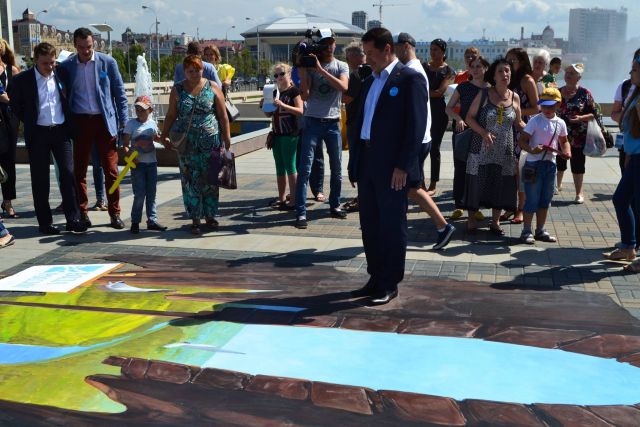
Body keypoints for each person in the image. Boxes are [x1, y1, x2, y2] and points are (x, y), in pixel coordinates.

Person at [347, 27, 428, 305]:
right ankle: (375, 276)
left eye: (370, 53)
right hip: (368, 162)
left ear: (387, 50)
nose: (366, 59)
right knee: (369, 223)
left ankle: (389, 282)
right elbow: (360, 124)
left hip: (393, 167)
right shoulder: (370, 81)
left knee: (392, 224)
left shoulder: (410, 79)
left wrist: (404, 166)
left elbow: (415, 128)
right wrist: (355, 161)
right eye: (364, 53)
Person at [8, 42, 86, 234]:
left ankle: (73, 219)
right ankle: (45, 222)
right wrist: (29, 118)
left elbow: (68, 99)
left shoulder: (61, 74)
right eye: (45, 64)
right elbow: (15, 105)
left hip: (60, 132)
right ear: (36, 61)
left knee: (68, 174)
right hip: (38, 133)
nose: (50, 67)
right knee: (40, 180)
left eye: (52, 63)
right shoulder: (23, 80)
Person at [57, 27, 128, 229]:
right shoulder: (68, 66)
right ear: (75, 46)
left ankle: (115, 213)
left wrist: (123, 122)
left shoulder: (108, 62)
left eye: (88, 46)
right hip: (80, 122)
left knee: (111, 170)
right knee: (78, 171)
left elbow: (120, 94)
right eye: (81, 48)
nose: (86, 51)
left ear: (93, 43)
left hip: (104, 122)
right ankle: (83, 213)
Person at [393, 32, 454, 249]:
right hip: (419, 138)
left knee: (412, 188)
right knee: (406, 187)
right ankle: (397, 228)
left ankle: (442, 226)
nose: (393, 51)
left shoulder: (413, 71)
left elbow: (418, 111)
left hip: (417, 140)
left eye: (396, 47)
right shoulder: (416, 68)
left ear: (406, 46)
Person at [161, 55, 231, 235]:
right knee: (190, 180)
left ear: (203, 69)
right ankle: (195, 219)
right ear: (184, 72)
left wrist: (227, 137)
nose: (194, 74)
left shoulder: (213, 87)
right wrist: (164, 134)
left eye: (197, 70)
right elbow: (171, 115)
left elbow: (223, 115)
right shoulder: (177, 90)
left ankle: (210, 215)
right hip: (187, 144)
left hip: (211, 141)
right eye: (190, 71)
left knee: (211, 180)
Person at [462, 58, 524, 234]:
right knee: (477, 181)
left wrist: (541, 128)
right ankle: (471, 218)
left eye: (507, 71)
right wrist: (483, 132)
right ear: (494, 76)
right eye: (500, 71)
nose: (505, 74)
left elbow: (519, 123)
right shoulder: (484, 94)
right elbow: (469, 118)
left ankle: (495, 222)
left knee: (501, 183)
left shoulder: (515, 97)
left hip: (505, 150)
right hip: (481, 147)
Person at [294, 28, 349, 229]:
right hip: (312, 121)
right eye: (324, 43)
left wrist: (320, 69)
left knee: (336, 169)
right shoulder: (309, 66)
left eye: (330, 42)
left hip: (333, 122)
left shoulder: (341, 66)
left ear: (335, 43)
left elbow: (343, 88)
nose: (328, 47)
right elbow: (306, 96)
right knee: (305, 168)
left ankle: (335, 205)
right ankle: (301, 212)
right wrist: (302, 71)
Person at [517, 87, 571, 244]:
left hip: (550, 164)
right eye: (544, 105)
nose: (547, 109)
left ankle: (540, 230)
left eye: (551, 106)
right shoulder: (535, 120)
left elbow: (564, 141)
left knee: (545, 199)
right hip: (533, 165)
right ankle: (526, 230)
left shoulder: (560, 122)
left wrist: (567, 152)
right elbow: (522, 140)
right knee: (531, 199)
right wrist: (532, 150)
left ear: (558, 105)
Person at [446, 56, 491, 221]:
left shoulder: (491, 89)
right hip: (463, 133)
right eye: (473, 67)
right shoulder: (463, 87)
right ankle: (459, 205)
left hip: (482, 134)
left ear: (486, 68)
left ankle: (475, 206)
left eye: (479, 66)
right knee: (461, 169)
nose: (476, 69)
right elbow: (448, 108)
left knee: (479, 171)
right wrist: (458, 119)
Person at [607, 56, 640, 272]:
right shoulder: (635, 94)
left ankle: (630, 245)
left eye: (635, 69)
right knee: (624, 199)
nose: (631, 73)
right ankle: (629, 245)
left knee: (626, 200)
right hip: (634, 155)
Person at [121, 95, 167, 234]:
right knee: (139, 194)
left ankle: (152, 221)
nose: (139, 112)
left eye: (142, 109)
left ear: (150, 110)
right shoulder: (131, 124)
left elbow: (156, 138)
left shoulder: (152, 124)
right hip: (138, 165)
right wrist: (130, 156)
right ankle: (135, 222)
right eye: (137, 109)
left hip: (151, 163)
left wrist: (164, 140)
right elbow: (125, 146)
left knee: (152, 193)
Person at [261, 63, 303, 210]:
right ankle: (282, 198)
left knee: (290, 167)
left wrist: (282, 105)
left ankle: (294, 200)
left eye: (282, 74)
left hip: (290, 134)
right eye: (276, 75)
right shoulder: (275, 92)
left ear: (289, 74)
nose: (279, 77)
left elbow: (300, 111)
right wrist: (264, 104)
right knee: (279, 168)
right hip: (277, 134)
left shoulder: (294, 91)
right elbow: (269, 114)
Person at [505, 47, 540, 224]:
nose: (509, 64)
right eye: (507, 60)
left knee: (520, 171)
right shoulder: (508, 79)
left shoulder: (527, 80)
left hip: (523, 128)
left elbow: (537, 108)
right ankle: (509, 206)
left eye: (513, 61)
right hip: (507, 129)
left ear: (522, 62)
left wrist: (516, 112)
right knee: (509, 170)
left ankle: (520, 209)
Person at [556, 63, 596, 204]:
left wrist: (580, 118)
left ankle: (579, 193)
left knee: (578, 165)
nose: (568, 75)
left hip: (578, 136)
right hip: (559, 135)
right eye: (567, 72)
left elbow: (594, 114)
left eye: (572, 73)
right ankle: (557, 185)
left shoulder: (585, 93)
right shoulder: (558, 92)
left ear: (579, 77)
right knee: (559, 161)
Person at [424, 39, 454, 196]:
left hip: (438, 112)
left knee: (434, 147)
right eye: (431, 49)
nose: (433, 52)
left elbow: (439, 92)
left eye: (436, 49)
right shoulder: (424, 67)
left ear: (443, 52)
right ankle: (419, 181)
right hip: (423, 110)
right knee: (420, 147)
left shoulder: (448, 71)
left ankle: (433, 183)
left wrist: (423, 93)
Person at [342, 42, 367, 212]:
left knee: (358, 160)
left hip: (357, 122)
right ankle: (363, 196)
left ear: (357, 56)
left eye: (348, 55)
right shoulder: (371, 71)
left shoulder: (358, 74)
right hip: (365, 123)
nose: (346, 59)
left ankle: (362, 198)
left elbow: (347, 98)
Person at [0, 38, 20, 219]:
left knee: (8, 162)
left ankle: (8, 202)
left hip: (7, 121)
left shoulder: (11, 71)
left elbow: (18, 97)